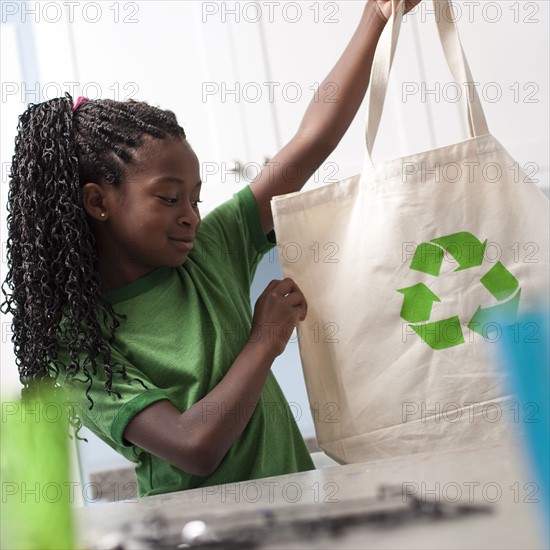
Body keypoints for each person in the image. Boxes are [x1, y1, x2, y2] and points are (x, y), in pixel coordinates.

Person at [2, 0, 421, 497]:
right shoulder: (77, 343)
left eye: (195, 199)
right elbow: (193, 445)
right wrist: (265, 340)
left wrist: (375, 15)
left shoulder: (210, 248)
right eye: (168, 197)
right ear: (97, 201)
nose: (191, 215)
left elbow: (314, 140)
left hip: (300, 518)